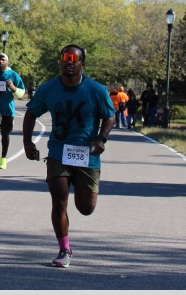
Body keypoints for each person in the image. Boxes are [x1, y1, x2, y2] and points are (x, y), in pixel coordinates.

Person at [23, 45, 116, 268]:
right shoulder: (48, 89)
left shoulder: (96, 90)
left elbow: (110, 116)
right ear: (60, 61)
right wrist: (27, 142)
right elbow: (31, 113)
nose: (69, 62)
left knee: (86, 208)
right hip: (59, 152)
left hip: (87, 154)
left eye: (74, 59)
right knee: (59, 202)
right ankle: (64, 249)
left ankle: (83, 192)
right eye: (66, 58)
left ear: (82, 64)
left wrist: (101, 139)